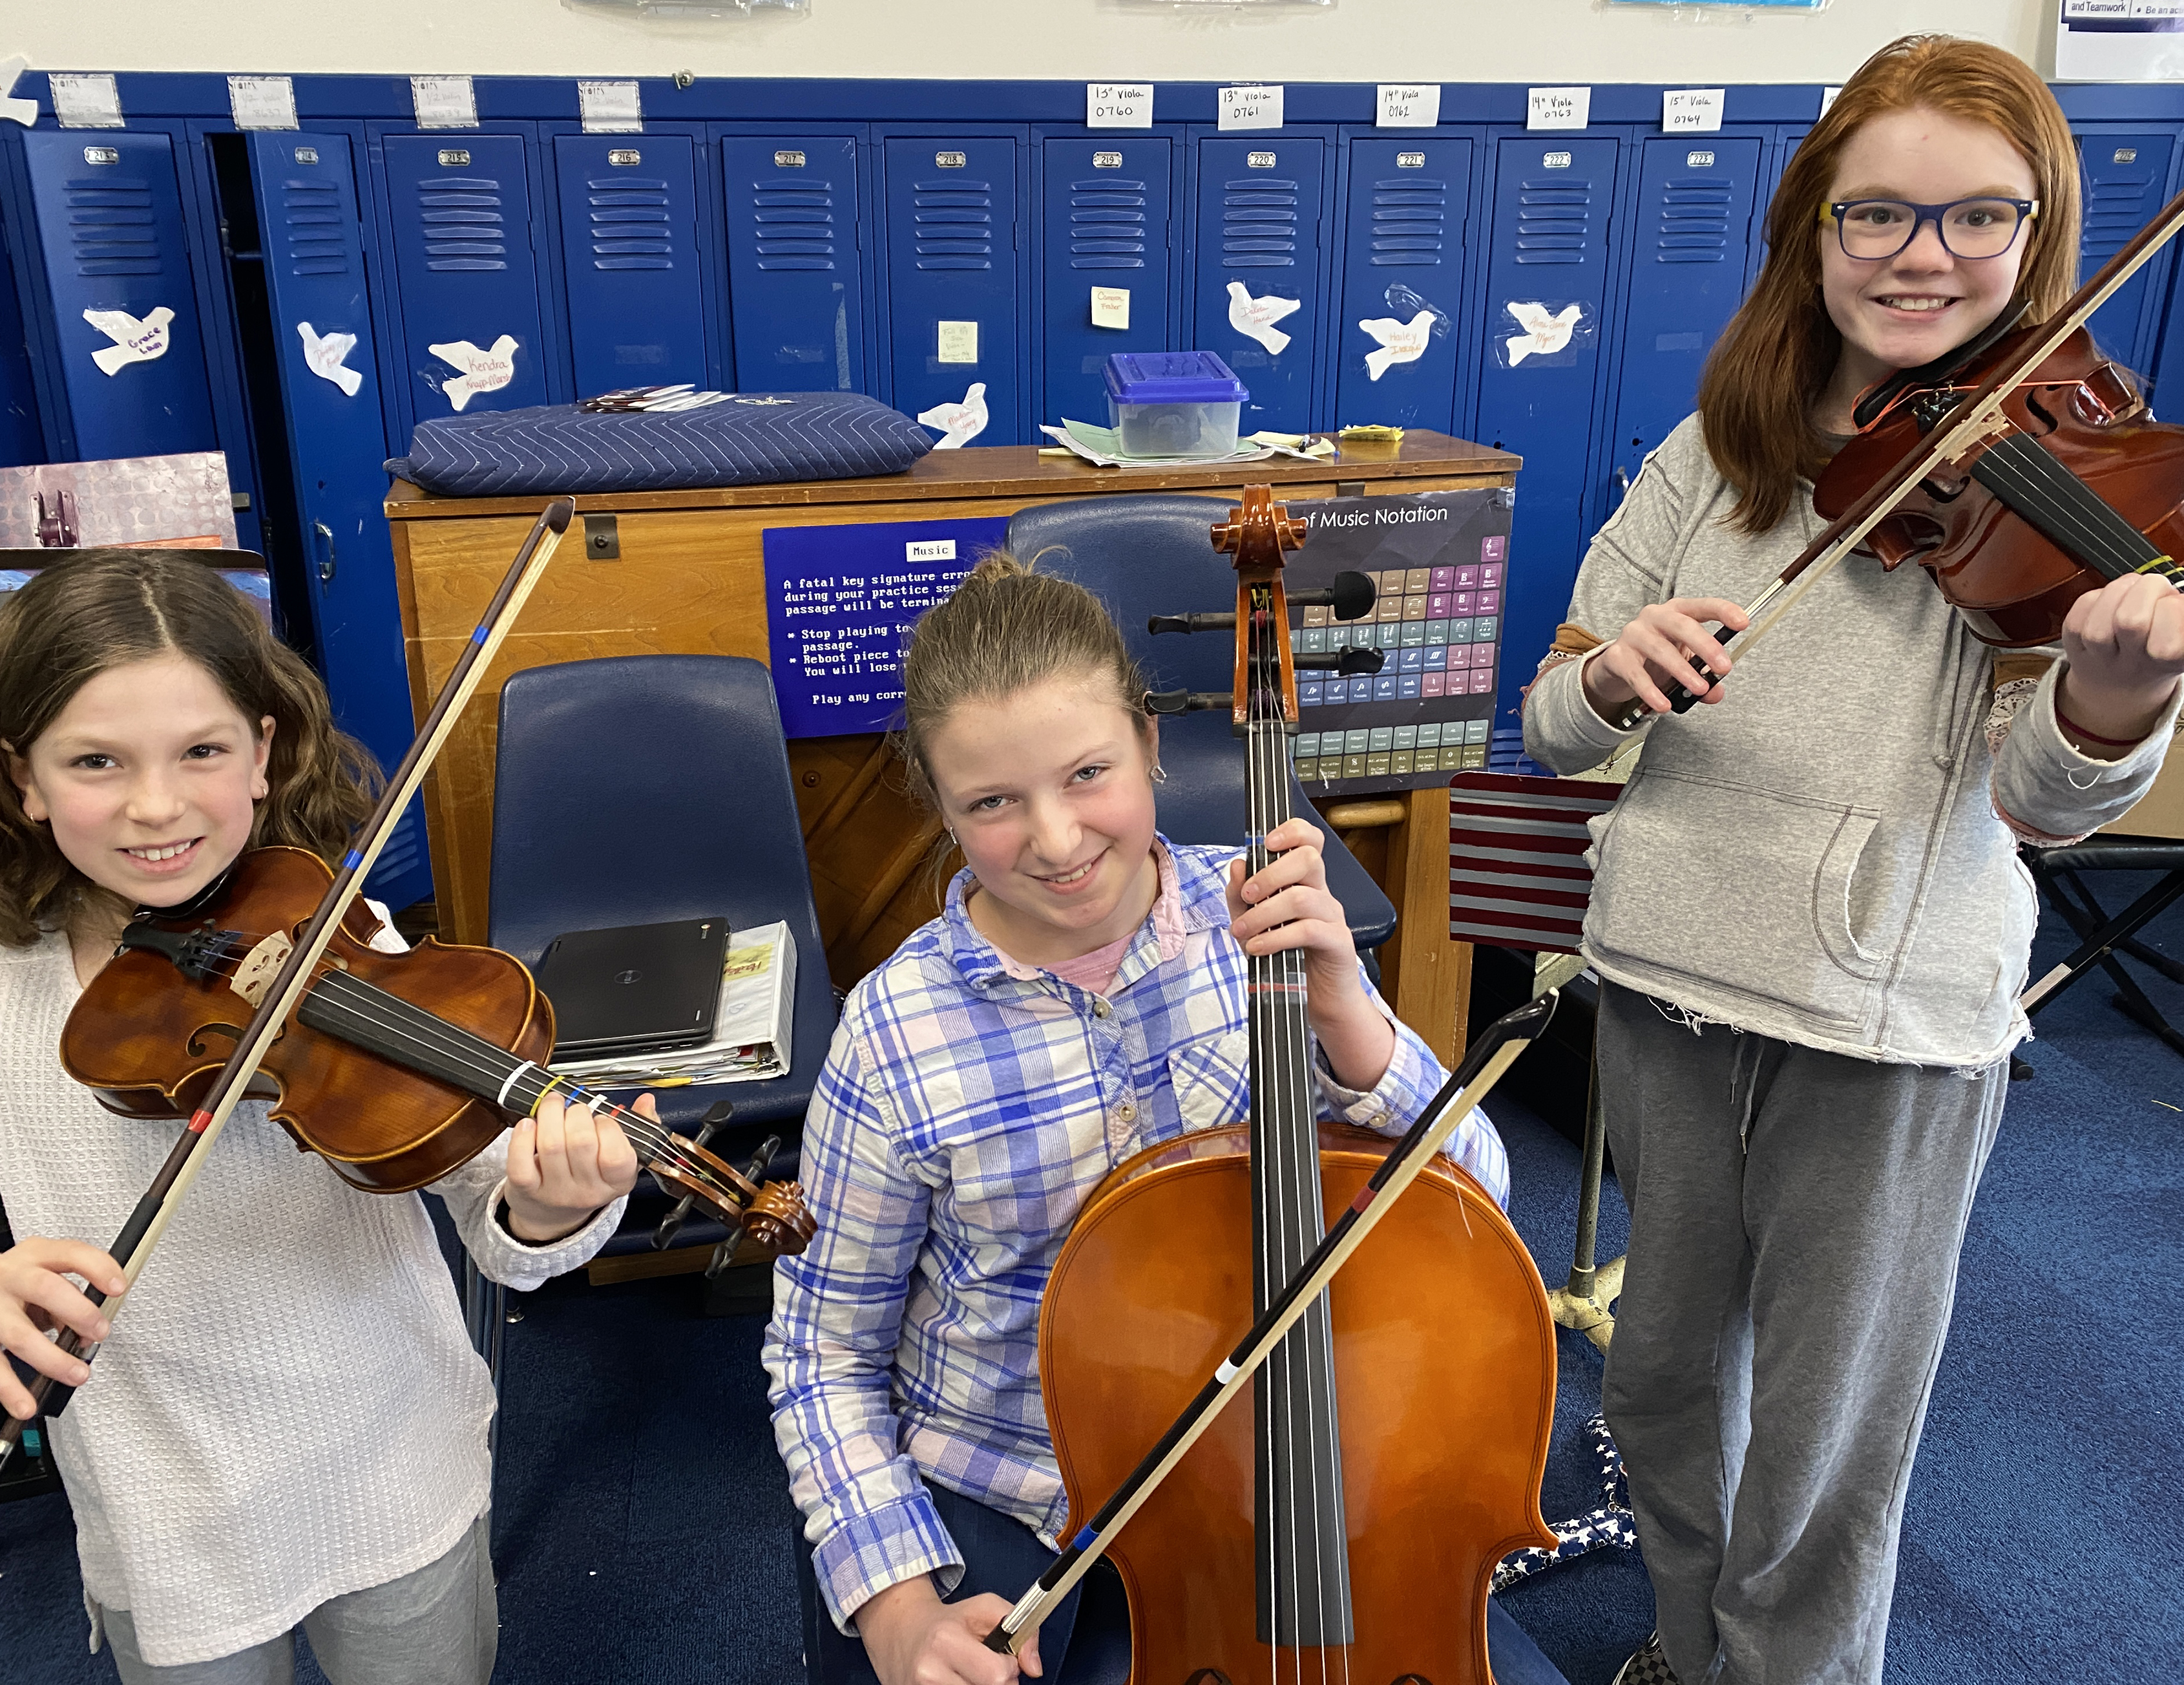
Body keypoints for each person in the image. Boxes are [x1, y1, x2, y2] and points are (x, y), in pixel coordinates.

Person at [1520, 34, 2184, 1685]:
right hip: (1671, 977)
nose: (1923, 258)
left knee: (1825, 1449)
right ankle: (1689, 1646)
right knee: (1667, 1383)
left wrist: (2117, 692)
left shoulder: (2060, 467)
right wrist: (1610, 676)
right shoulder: (1712, 457)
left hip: (1883, 1023)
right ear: (1811, 230)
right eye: (1878, 215)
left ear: (2039, 236)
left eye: (1979, 220)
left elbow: (2041, 796)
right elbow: (1553, 721)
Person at [0, 551, 649, 1684]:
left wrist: (544, 1206)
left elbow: (492, 1217)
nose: (157, 805)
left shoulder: (337, 928)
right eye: (94, 761)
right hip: (166, 1521)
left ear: (264, 755)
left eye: (202, 751)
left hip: (392, 1468)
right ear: (20, 774)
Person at [762, 553, 1532, 1685]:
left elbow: (1477, 1200)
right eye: (993, 803)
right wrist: (896, 1610)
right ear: (940, 810)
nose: (1058, 840)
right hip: (1007, 1484)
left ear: (1154, 750)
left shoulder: (1263, 931)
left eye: (1088, 775)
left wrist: (1347, 1008)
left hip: (1283, 1463)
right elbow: (823, 1354)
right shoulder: (893, 1037)